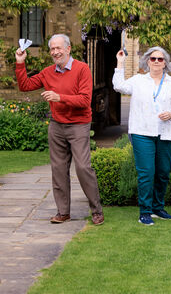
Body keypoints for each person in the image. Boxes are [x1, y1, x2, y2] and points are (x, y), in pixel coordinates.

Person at [15, 34, 104, 225]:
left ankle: (96, 209)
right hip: (57, 126)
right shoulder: (48, 72)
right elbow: (24, 86)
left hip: (79, 124)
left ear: (68, 49)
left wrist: (59, 97)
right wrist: (20, 63)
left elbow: (84, 100)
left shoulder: (82, 69)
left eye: (59, 48)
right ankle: (63, 212)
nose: (55, 52)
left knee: (82, 167)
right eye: (52, 49)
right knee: (58, 170)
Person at [113, 47, 171, 226]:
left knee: (162, 173)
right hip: (142, 132)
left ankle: (157, 207)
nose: (156, 62)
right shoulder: (138, 80)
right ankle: (145, 211)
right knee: (146, 173)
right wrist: (120, 63)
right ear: (147, 61)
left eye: (160, 59)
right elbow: (118, 86)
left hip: (166, 134)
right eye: (153, 58)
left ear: (165, 63)